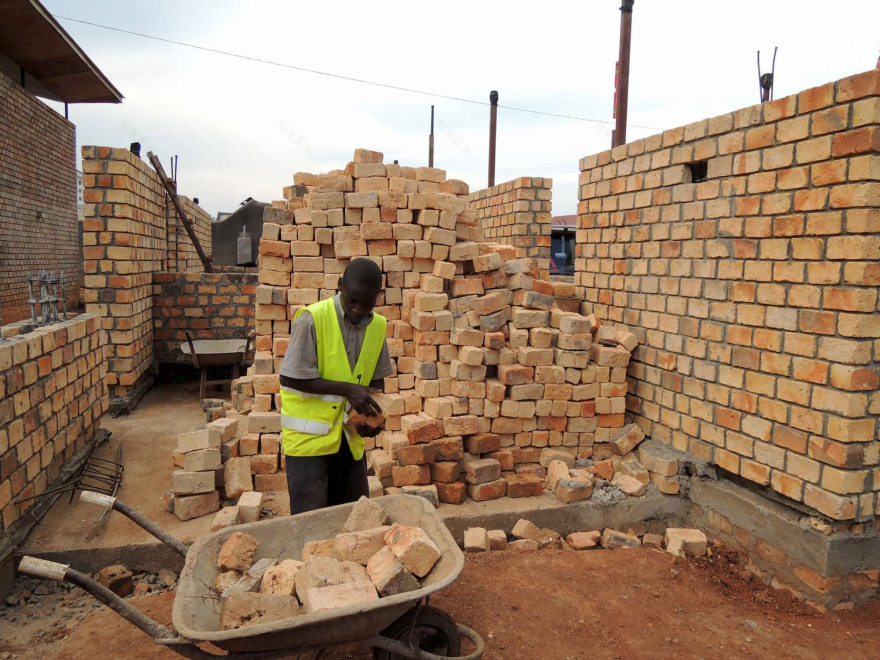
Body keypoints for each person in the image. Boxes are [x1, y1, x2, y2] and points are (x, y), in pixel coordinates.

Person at [278, 258, 394, 515]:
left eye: (367, 303)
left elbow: (375, 384)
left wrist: (371, 423)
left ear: (379, 296)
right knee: (311, 524)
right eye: (351, 300)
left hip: (349, 442)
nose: (357, 309)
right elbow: (289, 378)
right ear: (339, 285)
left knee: (353, 521)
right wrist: (348, 389)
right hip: (308, 444)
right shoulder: (312, 319)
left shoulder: (377, 327)